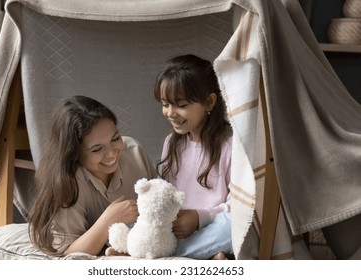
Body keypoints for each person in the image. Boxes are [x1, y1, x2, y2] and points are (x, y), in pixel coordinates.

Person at [28, 95, 157, 256]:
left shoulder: (134, 151)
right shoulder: (68, 182)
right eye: (97, 149)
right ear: (74, 152)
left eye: (115, 138)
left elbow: (161, 202)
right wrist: (108, 220)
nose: (111, 153)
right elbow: (71, 253)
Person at [154, 54, 233, 260]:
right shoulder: (171, 143)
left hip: (211, 227)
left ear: (209, 102)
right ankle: (207, 256)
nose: (170, 113)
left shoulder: (231, 144)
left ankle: (155, 254)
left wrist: (199, 218)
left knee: (232, 226)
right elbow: (167, 196)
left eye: (180, 104)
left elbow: (240, 206)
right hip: (176, 231)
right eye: (165, 104)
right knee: (129, 221)